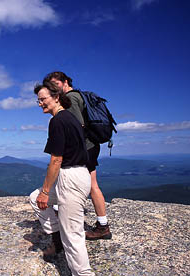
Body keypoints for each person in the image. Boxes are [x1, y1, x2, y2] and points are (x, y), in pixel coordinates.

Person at [29, 84, 95, 276]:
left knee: (73, 236)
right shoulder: (71, 118)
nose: (40, 103)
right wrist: (43, 194)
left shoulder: (58, 121)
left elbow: (56, 159)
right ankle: (57, 240)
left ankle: (83, 273)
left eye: (43, 99)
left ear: (56, 97)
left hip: (70, 178)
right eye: (38, 100)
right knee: (35, 198)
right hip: (78, 175)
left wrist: (46, 190)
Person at [43, 71, 112, 240]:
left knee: (91, 185)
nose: (54, 88)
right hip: (90, 146)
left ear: (65, 82)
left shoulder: (71, 98)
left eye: (56, 84)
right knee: (91, 184)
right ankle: (102, 224)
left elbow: (76, 125)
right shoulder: (80, 96)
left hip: (85, 147)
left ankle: (102, 226)